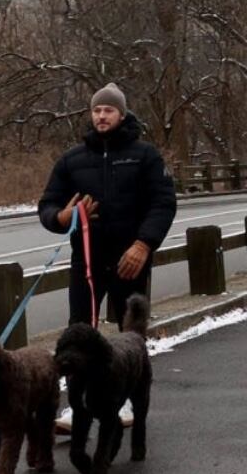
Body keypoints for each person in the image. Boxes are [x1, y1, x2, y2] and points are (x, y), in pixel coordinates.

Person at [38, 83, 177, 327]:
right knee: (80, 334)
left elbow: (163, 203)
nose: (102, 116)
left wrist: (143, 245)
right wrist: (62, 217)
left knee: (132, 335)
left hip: (130, 259)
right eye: (97, 110)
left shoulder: (145, 155)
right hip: (87, 262)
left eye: (109, 110)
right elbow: (47, 205)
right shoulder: (71, 160)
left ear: (122, 115)